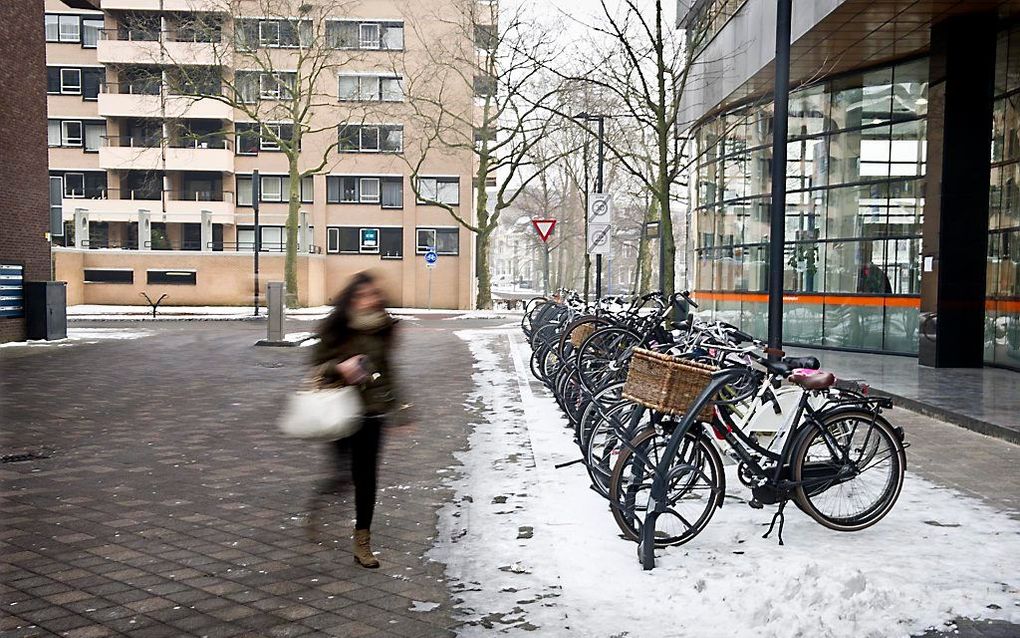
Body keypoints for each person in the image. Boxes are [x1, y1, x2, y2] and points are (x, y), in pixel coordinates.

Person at [309, 271, 398, 568]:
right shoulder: (336, 327)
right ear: (351, 298)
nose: (368, 301)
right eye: (361, 296)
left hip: (372, 412)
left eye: (372, 295)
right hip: (340, 410)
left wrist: (401, 408)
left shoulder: (383, 328)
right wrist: (340, 368)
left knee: (366, 477)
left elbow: (389, 370)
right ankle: (333, 486)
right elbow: (317, 366)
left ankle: (363, 542)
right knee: (345, 472)